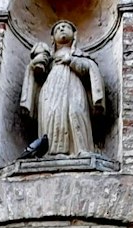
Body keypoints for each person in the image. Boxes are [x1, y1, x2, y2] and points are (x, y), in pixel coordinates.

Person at [18, 19, 104, 156]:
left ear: (74, 34)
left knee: (76, 111)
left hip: (73, 86)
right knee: (53, 115)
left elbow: (90, 68)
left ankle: (81, 149)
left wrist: (72, 61)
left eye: (65, 27)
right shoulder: (48, 57)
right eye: (57, 29)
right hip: (51, 90)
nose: (62, 29)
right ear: (52, 38)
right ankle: (52, 152)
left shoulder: (79, 55)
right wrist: (34, 65)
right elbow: (38, 76)